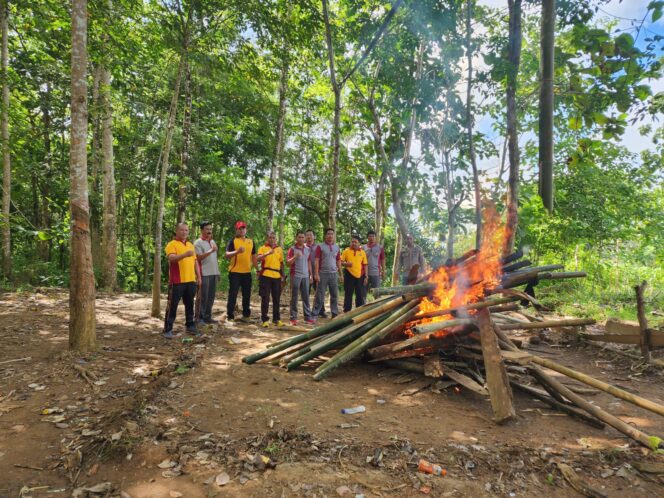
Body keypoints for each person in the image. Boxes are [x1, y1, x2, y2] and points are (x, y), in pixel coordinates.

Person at [163, 223, 202, 339]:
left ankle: (190, 325)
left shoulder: (190, 245)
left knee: (190, 304)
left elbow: (195, 262)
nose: (184, 232)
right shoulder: (172, 244)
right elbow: (172, 258)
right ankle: (167, 329)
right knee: (172, 305)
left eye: (186, 230)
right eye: (182, 230)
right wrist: (185, 254)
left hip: (190, 280)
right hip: (177, 281)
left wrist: (199, 277)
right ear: (177, 231)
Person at [225, 220, 257, 321]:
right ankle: (230, 316)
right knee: (233, 294)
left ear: (246, 229)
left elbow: (254, 257)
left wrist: (258, 269)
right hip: (235, 272)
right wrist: (237, 251)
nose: (242, 230)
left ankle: (246, 315)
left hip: (247, 272)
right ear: (237, 230)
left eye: (243, 228)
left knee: (246, 295)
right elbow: (226, 255)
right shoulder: (232, 241)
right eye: (240, 228)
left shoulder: (251, 242)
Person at [312, 228, 342, 319]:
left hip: (333, 274)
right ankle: (315, 313)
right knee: (320, 294)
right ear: (325, 235)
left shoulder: (337, 247)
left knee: (334, 294)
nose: (330, 235)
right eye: (328, 234)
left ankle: (334, 313)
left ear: (334, 235)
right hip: (323, 273)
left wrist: (341, 274)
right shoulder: (320, 246)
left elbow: (338, 261)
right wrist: (316, 274)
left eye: (332, 234)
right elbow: (316, 260)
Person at [257, 231, 284, 327]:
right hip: (266, 275)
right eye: (270, 237)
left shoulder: (279, 249)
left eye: (273, 238)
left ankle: (276, 319)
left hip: (277, 276)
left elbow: (281, 263)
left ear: (276, 239)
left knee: (276, 298)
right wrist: (267, 253)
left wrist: (283, 276)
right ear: (267, 239)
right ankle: (265, 320)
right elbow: (258, 258)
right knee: (265, 298)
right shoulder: (263, 248)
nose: (272, 239)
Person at [194, 221, 219, 325]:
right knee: (202, 297)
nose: (209, 231)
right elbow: (198, 258)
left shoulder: (212, 242)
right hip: (204, 273)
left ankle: (208, 317)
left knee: (211, 297)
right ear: (202, 230)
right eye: (207, 229)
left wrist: (218, 272)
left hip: (214, 273)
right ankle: (199, 318)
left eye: (210, 229)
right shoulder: (198, 243)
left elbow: (214, 259)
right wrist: (210, 251)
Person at [287, 231, 314, 325]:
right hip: (295, 275)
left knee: (306, 296)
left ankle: (307, 317)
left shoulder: (308, 249)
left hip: (306, 276)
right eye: (299, 237)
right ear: (296, 238)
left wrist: (311, 275)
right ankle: (293, 318)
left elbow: (309, 262)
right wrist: (295, 256)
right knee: (294, 297)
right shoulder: (292, 249)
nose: (301, 239)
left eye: (303, 237)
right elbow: (288, 263)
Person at [340, 235, 368, 313]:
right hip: (349, 274)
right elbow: (341, 262)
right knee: (348, 293)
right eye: (352, 242)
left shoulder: (362, 252)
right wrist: (346, 264)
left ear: (359, 243)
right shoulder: (346, 251)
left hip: (360, 275)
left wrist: (366, 276)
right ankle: (347, 311)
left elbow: (365, 264)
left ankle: (359, 311)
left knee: (359, 294)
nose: (354, 243)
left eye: (355, 242)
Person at [305, 229, 326, 318]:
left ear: (314, 236)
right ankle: (307, 311)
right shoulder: (303, 247)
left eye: (311, 235)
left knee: (319, 292)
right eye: (307, 235)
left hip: (317, 272)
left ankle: (321, 310)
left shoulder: (318, 246)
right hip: (305, 273)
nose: (309, 237)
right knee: (306, 292)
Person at [362, 230, 385, 299]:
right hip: (364, 273)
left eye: (373, 236)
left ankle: (377, 307)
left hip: (376, 273)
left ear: (375, 237)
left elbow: (382, 260)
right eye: (370, 236)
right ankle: (363, 307)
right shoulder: (363, 248)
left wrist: (383, 271)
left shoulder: (380, 247)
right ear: (367, 237)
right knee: (363, 292)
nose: (371, 238)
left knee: (377, 292)